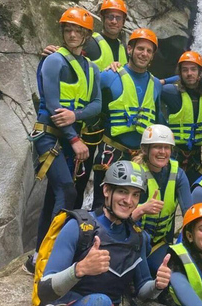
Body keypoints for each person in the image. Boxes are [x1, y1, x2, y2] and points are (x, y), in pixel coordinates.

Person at [36, 160, 172, 306]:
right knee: (100, 302)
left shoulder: (137, 237)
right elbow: (44, 289)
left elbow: (143, 289)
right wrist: (79, 269)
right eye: (123, 191)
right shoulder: (78, 227)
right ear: (107, 190)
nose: (129, 201)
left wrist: (157, 285)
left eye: (135, 194)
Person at [25, 7, 101, 275]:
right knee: (68, 192)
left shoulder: (91, 68)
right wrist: (76, 138)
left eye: (77, 30)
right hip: (49, 136)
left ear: (86, 35)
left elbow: (96, 106)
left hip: (68, 139)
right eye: (68, 29)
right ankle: (51, 260)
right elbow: (55, 108)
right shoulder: (54, 61)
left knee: (53, 196)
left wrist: (77, 115)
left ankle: (36, 257)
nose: (71, 34)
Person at [42, 0, 130, 209]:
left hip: (102, 123)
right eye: (110, 16)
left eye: (118, 17)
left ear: (124, 21)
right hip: (80, 123)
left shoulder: (124, 49)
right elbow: (68, 54)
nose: (114, 21)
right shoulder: (91, 42)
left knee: (83, 182)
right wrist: (50, 50)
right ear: (102, 18)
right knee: (68, 185)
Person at [92, 28, 162, 210]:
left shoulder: (156, 84)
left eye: (149, 51)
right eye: (140, 49)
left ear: (153, 55)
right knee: (102, 205)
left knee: (134, 207)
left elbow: (159, 118)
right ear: (130, 49)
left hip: (139, 156)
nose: (144, 54)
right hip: (111, 152)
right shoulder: (109, 76)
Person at [131, 124, 192, 276]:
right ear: (146, 149)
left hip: (159, 243)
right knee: (142, 239)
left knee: (172, 273)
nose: (163, 152)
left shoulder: (178, 174)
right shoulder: (134, 172)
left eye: (167, 147)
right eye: (157, 147)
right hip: (131, 241)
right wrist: (142, 209)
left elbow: (190, 214)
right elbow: (117, 220)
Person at [161, 51, 202, 184]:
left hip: (196, 159)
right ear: (180, 73)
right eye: (185, 70)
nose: (189, 73)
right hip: (174, 156)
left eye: (193, 69)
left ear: (200, 73)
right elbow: (148, 82)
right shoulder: (170, 92)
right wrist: (164, 81)